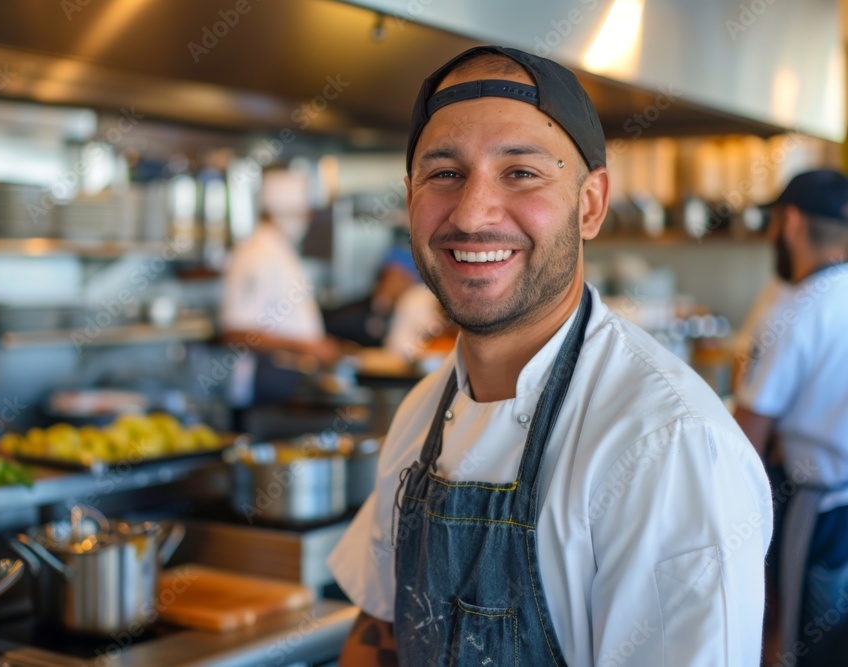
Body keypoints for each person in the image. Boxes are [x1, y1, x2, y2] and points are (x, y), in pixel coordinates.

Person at [327, 45, 773, 665]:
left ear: (589, 205)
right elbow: (378, 634)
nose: (473, 213)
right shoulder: (420, 414)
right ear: (409, 198)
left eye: (521, 173)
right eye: (445, 173)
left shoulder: (669, 448)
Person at [734, 169, 848, 667]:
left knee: (799, 650)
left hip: (821, 513)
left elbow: (745, 442)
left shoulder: (798, 309)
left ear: (791, 222)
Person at [218, 168, 341, 408]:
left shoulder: (280, 249)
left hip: (290, 380)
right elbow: (235, 332)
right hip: (265, 383)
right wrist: (305, 346)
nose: (306, 221)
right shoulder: (256, 254)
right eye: (301, 214)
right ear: (283, 214)